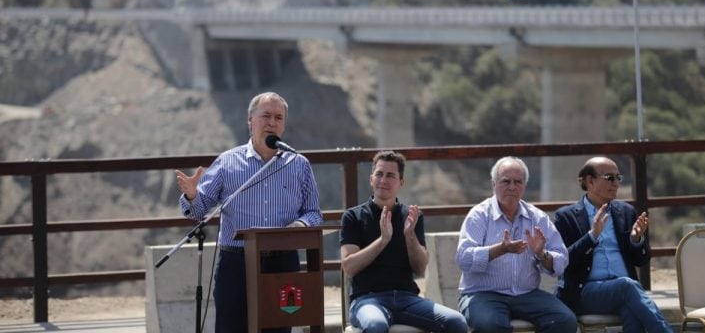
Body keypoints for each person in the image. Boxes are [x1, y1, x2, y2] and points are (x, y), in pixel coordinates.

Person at [175, 91, 322, 333]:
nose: (272, 123)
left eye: (278, 117)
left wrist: (300, 226)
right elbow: (198, 211)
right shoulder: (228, 162)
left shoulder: (298, 164)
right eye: (266, 115)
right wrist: (192, 194)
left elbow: (314, 213)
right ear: (250, 120)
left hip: (282, 262)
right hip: (236, 262)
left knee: (279, 328)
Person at [340, 150, 468, 333]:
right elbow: (349, 267)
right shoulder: (353, 217)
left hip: (407, 298)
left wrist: (409, 235)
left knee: (456, 322)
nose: (383, 180)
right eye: (379, 174)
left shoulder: (411, 216)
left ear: (401, 182)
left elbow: (420, 267)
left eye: (390, 175)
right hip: (368, 299)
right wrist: (383, 240)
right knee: (376, 325)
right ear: (371, 179)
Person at [455, 156, 577, 333]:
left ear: (524, 186)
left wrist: (542, 254)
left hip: (526, 294)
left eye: (518, 182)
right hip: (483, 294)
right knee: (491, 325)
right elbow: (463, 259)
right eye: (506, 181)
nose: (512, 187)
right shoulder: (479, 215)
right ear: (494, 184)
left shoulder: (537, 217)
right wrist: (500, 249)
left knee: (564, 320)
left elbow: (562, 260)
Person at [553, 156, 672, 333]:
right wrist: (592, 237)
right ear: (590, 181)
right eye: (610, 178)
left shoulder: (626, 212)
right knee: (627, 286)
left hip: (623, 293)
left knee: (632, 313)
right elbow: (563, 262)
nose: (616, 183)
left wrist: (636, 240)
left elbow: (642, 260)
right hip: (584, 292)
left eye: (618, 178)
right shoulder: (566, 217)